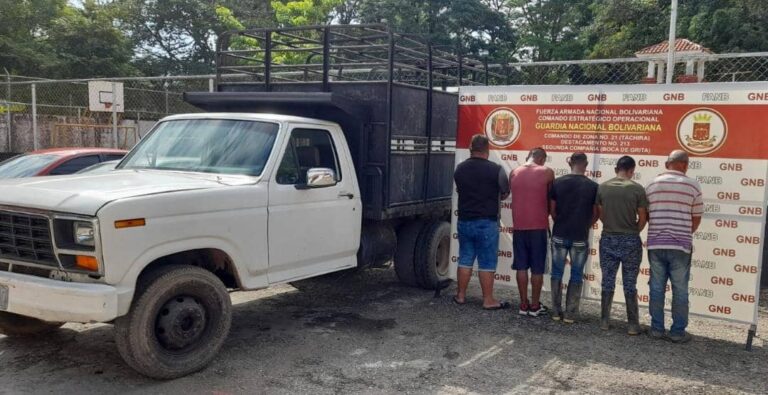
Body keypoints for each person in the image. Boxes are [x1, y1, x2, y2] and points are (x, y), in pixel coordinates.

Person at [645, 150, 703, 343]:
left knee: (656, 287)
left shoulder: (652, 184)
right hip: (681, 245)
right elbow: (696, 219)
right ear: (685, 165)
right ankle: (678, 332)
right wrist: (684, 233)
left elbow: (646, 215)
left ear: (667, 163)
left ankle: (656, 329)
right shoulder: (693, 185)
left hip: (656, 242)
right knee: (680, 289)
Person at [453, 134, 511, 310]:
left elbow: (459, 188)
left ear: (471, 149)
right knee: (486, 262)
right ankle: (488, 300)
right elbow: (505, 192)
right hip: (487, 222)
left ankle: (461, 296)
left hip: (464, 220)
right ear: (488, 149)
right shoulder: (497, 169)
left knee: (465, 258)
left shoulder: (460, 169)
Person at [596, 155, 648, 335]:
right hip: (630, 240)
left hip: (608, 237)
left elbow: (600, 214)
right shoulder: (637, 189)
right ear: (632, 170)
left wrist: (611, 225)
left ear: (616, 168)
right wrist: (634, 231)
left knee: (608, 279)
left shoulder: (603, 187)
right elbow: (643, 218)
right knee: (630, 282)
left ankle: (604, 321)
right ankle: (633, 325)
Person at [549, 152, 599, 323]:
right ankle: (570, 313)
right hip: (580, 236)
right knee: (577, 274)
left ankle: (555, 311)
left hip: (559, 233)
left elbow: (552, 210)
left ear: (570, 163)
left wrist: (561, 222)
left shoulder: (557, 182)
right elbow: (596, 214)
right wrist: (585, 225)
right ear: (585, 165)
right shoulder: (593, 186)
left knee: (556, 272)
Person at [510, 147, 554, 317]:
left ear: (528, 156)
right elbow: (551, 200)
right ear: (542, 159)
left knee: (521, 267)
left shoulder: (514, 172)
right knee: (537, 268)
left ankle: (523, 304)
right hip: (538, 227)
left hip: (519, 227)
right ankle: (535, 306)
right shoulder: (547, 172)